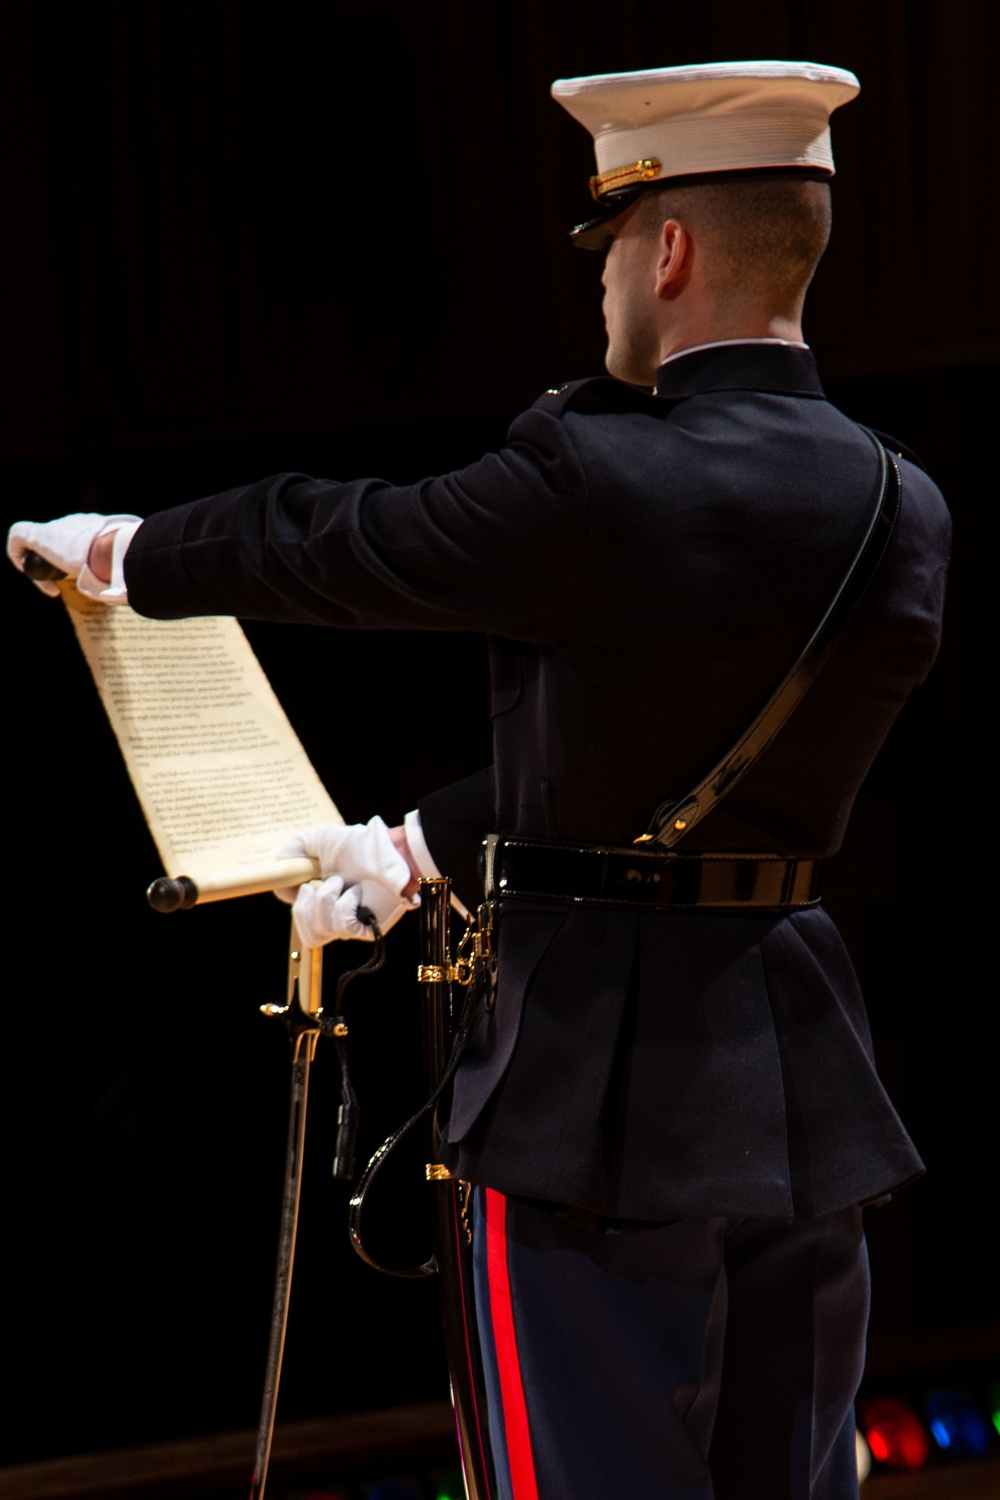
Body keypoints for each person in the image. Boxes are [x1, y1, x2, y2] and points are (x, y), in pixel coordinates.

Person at [8, 61, 951, 1500]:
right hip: (797, 1073)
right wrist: (418, 848)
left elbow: (347, 543)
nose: (602, 287)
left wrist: (130, 556)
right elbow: (663, 758)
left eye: (612, 248)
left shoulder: (604, 476)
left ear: (671, 250)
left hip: (595, 1082)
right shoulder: (904, 503)